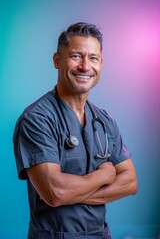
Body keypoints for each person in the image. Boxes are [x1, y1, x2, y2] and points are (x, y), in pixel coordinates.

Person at [13, 22, 138, 239]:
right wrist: (104, 175)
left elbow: (130, 182)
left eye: (93, 58)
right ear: (57, 60)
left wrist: (75, 193)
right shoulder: (36, 119)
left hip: (101, 234)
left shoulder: (104, 120)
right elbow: (55, 192)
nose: (85, 66)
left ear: (101, 64)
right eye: (76, 56)